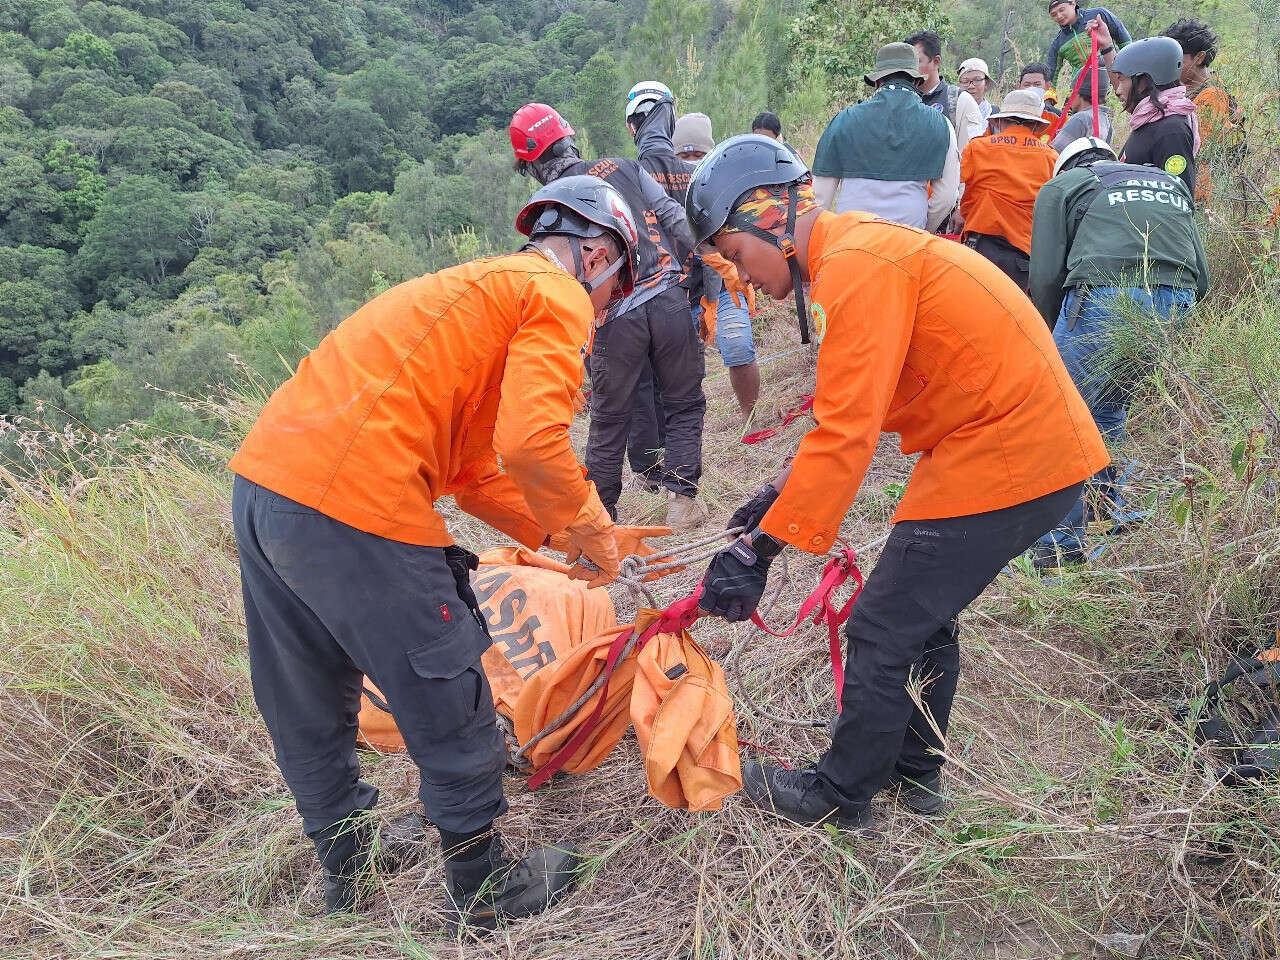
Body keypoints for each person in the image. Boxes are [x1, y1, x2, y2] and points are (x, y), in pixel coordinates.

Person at [229, 176, 641, 925]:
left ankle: (345, 871)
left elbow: (480, 471)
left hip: (265, 490)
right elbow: (533, 441)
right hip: (358, 499)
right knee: (447, 681)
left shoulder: (476, 294)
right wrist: (590, 527)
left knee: (309, 696)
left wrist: (562, 537)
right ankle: (484, 890)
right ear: (598, 254)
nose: (600, 318)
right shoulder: (555, 293)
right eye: (611, 297)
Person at [684, 134, 1108, 828]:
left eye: (734, 255)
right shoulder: (854, 253)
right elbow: (856, 404)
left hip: (1010, 450)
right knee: (920, 617)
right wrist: (776, 501)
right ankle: (916, 778)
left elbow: (847, 433)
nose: (742, 279)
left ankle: (841, 795)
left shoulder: (855, 263)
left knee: (882, 628)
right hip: (1014, 447)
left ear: (765, 213)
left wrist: (757, 551)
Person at [510, 103, 708, 531]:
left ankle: (602, 518)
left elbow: (546, 277)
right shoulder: (621, 166)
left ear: (530, 163)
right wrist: (704, 264)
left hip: (613, 318)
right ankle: (681, 504)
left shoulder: (545, 207)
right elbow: (673, 217)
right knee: (684, 402)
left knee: (609, 418)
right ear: (569, 139)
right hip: (669, 295)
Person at [1027, 137, 1209, 567]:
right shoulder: (1169, 182)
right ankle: (1105, 508)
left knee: (1063, 412)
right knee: (1108, 409)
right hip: (1175, 303)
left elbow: (1046, 274)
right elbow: (1201, 276)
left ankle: (1059, 546)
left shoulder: (1064, 187)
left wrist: (1048, 331)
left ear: (1067, 166)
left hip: (1104, 296)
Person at [670, 111, 762, 420]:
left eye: (699, 154)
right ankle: (684, 425)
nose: (692, 160)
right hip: (677, 290)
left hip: (724, 284)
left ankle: (749, 416)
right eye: (685, 154)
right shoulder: (660, 189)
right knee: (677, 366)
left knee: (738, 346)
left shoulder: (728, 187)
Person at [811, 42, 958, 231]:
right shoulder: (940, 124)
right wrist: (923, 229)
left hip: (851, 239)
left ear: (877, 81)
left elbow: (820, 197)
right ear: (916, 80)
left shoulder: (843, 121)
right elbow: (946, 197)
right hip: (908, 242)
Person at [958, 89, 1058, 290]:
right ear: (1036, 125)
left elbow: (960, 194)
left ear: (1000, 122)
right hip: (1023, 256)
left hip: (978, 248)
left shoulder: (977, 149)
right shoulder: (1052, 158)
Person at [1105, 36, 1200, 197]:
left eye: (1122, 80)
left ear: (1144, 81)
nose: (1118, 90)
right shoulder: (1150, 119)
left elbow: (1178, 198)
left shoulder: (1172, 130)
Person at [1163, 17, 1243, 204]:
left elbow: (1198, 149)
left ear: (1199, 57)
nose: (1171, 64)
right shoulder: (1184, 89)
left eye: (1178, 58)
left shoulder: (1212, 95)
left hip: (1199, 193)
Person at [905, 29, 987, 147]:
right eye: (908, 64)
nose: (910, 70)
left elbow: (969, 154)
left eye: (917, 62)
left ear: (936, 61)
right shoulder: (903, 100)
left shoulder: (959, 101)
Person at [1045, 0, 1130, 85]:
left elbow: (1124, 40)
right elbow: (1051, 75)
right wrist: (1049, 96)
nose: (1059, 16)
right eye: (1054, 15)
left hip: (1112, 78)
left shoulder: (1099, 15)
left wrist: (1130, 69)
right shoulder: (1057, 42)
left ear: (1073, 3)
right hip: (1082, 89)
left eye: (1062, 10)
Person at [1051, 64, 1114, 151]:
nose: (1069, 96)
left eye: (1072, 91)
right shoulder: (1107, 122)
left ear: (1079, 93)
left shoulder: (1081, 119)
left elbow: (1053, 153)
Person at [957, 57, 994, 121]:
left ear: (986, 83)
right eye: (965, 81)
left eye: (977, 80)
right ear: (959, 85)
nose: (971, 86)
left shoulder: (995, 115)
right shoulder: (952, 112)